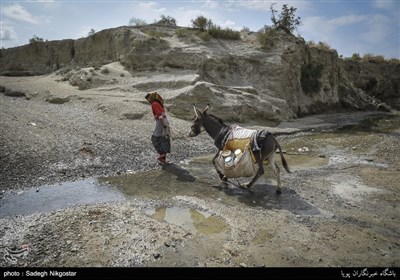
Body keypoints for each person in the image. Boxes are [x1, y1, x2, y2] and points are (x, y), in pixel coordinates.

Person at [145, 92, 171, 164]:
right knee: (164, 138)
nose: (148, 101)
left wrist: (163, 124)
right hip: (165, 121)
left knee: (154, 138)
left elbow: (159, 115)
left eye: (148, 99)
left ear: (151, 98)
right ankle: (163, 156)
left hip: (161, 122)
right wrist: (165, 123)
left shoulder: (154, 104)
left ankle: (161, 154)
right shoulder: (159, 103)